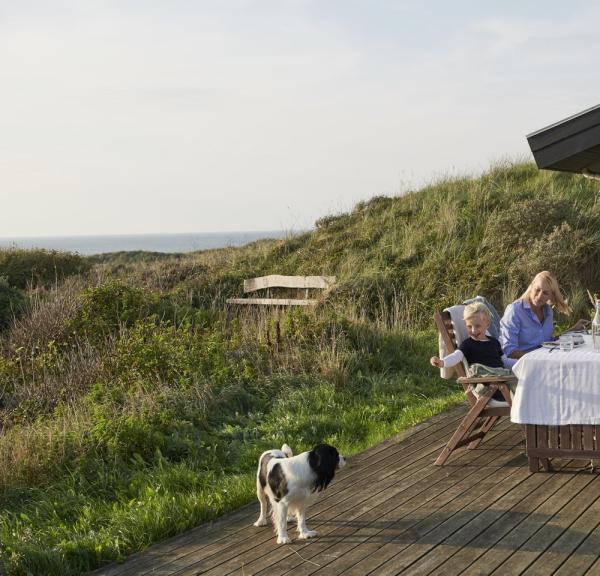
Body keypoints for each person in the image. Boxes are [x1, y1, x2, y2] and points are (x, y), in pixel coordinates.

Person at [500, 270, 590, 359]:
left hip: (542, 358)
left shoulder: (548, 311)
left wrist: (573, 329)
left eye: (545, 293)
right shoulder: (515, 310)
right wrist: (536, 359)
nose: (539, 296)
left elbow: (549, 342)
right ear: (531, 286)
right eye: (537, 289)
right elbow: (509, 350)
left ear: (551, 295)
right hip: (519, 362)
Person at [430, 302, 509, 373]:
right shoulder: (468, 344)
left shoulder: (494, 342)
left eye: (477, 326)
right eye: (469, 326)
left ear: (487, 324)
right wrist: (442, 362)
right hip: (484, 380)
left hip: (500, 377)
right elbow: (456, 356)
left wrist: (520, 362)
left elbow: (505, 361)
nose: (473, 330)